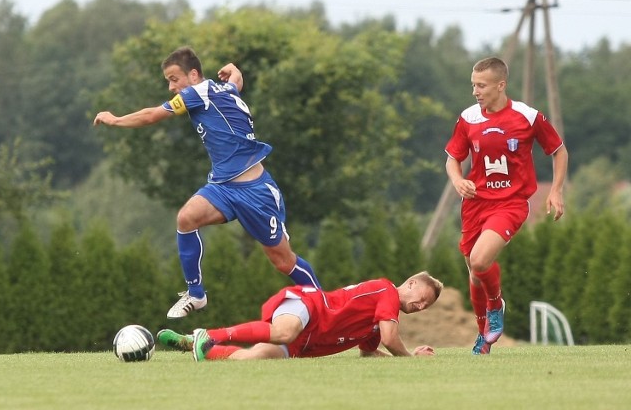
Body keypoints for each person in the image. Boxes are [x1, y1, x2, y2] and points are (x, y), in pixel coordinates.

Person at [94, 46, 322, 319]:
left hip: (256, 192)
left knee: (283, 261)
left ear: (192, 75)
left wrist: (115, 119)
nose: (170, 87)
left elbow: (152, 115)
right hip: (223, 187)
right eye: (168, 80)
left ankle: (328, 308)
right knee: (186, 218)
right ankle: (196, 294)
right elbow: (235, 83)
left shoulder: (196, 94)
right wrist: (236, 71)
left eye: (174, 79)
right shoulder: (221, 90)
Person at [444, 57, 568, 355]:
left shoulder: (527, 116)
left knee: (480, 261)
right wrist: (458, 180)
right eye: (473, 84)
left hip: (511, 204)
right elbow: (452, 159)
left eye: (481, 85)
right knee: (474, 274)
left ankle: (496, 304)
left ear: (501, 85)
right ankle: (483, 337)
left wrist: (556, 191)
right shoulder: (469, 118)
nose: (475, 91)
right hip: (475, 205)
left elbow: (559, 151)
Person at [157, 271, 443, 361]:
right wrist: (411, 359)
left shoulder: (377, 324)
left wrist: (392, 358)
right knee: (284, 332)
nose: (421, 307)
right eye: (423, 300)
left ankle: (193, 345)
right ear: (412, 284)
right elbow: (392, 341)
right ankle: (209, 334)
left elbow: (369, 353)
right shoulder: (387, 292)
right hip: (310, 306)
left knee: (252, 358)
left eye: (426, 307)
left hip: (307, 340)